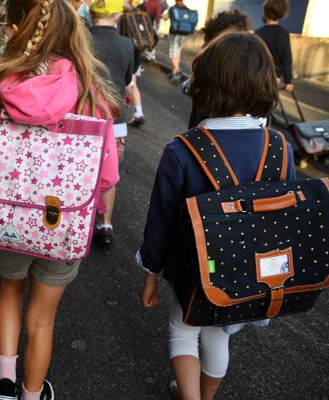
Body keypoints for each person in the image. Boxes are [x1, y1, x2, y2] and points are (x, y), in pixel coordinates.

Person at [0, 0, 120, 398]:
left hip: (7, 216)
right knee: (42, 319)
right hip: (62, 225)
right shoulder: (91, 95)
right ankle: (32, 394)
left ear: (19, 29)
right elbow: (106, 178)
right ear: (74, 37)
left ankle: (3, 384)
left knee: (9, 290)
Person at [137, 31, 296, 400]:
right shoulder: (280, 147)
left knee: (183, 331)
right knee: (219, 333)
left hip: (194, 270)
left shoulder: (182, 150)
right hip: (249, 271)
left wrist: (150, 275)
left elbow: (160, 222)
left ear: (203, 82)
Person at [89, 0, 133, 245]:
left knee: (81, 171)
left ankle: (78, 217)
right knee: (109, 173)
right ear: (117, 13)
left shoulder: (81, 40)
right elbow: (127, 78)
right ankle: (105, 225)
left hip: (85, 116)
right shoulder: (126, 44)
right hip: (115, 119)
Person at [185, 9, 250, 128]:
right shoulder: (248, 63)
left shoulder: (207, 61)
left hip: (203, 133)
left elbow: (189, 87)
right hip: (240, 133)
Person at [255, 0, 294, 92]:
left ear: (265, 13)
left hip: (258, 75)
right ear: (282, 14)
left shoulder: (258, 33)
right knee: (270, 102)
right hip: (274, 76)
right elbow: (287, 58)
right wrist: (288, 81)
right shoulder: (284, 34)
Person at [167, 0, 188, 83]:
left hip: (174, 34)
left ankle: (178, 70)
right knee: (178, 53)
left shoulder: (173, 8)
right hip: (183, 33)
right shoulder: (186, 8)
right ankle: (174, 73)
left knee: (172, 54)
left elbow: (165, 16)